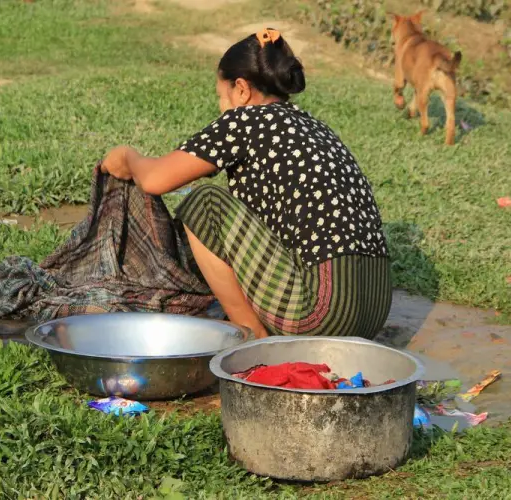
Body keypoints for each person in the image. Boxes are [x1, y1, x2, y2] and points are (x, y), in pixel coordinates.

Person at [101, 28, 391, 339]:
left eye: (220, 96)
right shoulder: (316, 128)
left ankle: (251, 334)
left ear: (241, 89)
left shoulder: (246, 120)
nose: (221, 107)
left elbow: (156, 179)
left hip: (321, 315)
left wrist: (128, 157)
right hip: (373, 312)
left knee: (205, 205)